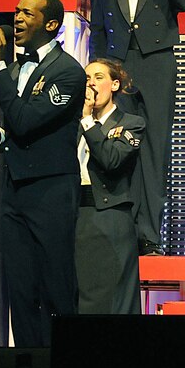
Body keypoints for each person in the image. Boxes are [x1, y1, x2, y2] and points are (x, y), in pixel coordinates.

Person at [0, 0, 84, 348]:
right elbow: (19, 128)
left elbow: (26, 120)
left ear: (50, 24)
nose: (16, 18)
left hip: (51, 191)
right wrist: (0, 134)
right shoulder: (18, 68)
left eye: (27, 14)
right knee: (20, 287)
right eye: (16, 12)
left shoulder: (68, 72)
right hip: (15, 189)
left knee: (56, 287)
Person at [89, 0, 185, 256]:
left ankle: (148, 233)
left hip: (157, 64)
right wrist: (97, 72)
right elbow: (98, 24)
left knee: (154, 147)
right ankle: (118, 226)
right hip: (117, 63)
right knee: (114, 143)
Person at [75, 59, 144, 315]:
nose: (91, 83)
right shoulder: (74, 124)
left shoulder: (131, 123)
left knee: (112, 300)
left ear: (115, 84)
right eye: (87, 77)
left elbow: (111, 160)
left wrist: (88, 120)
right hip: (77, 215)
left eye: (99, 77)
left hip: (109, 215)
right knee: (82, 298)